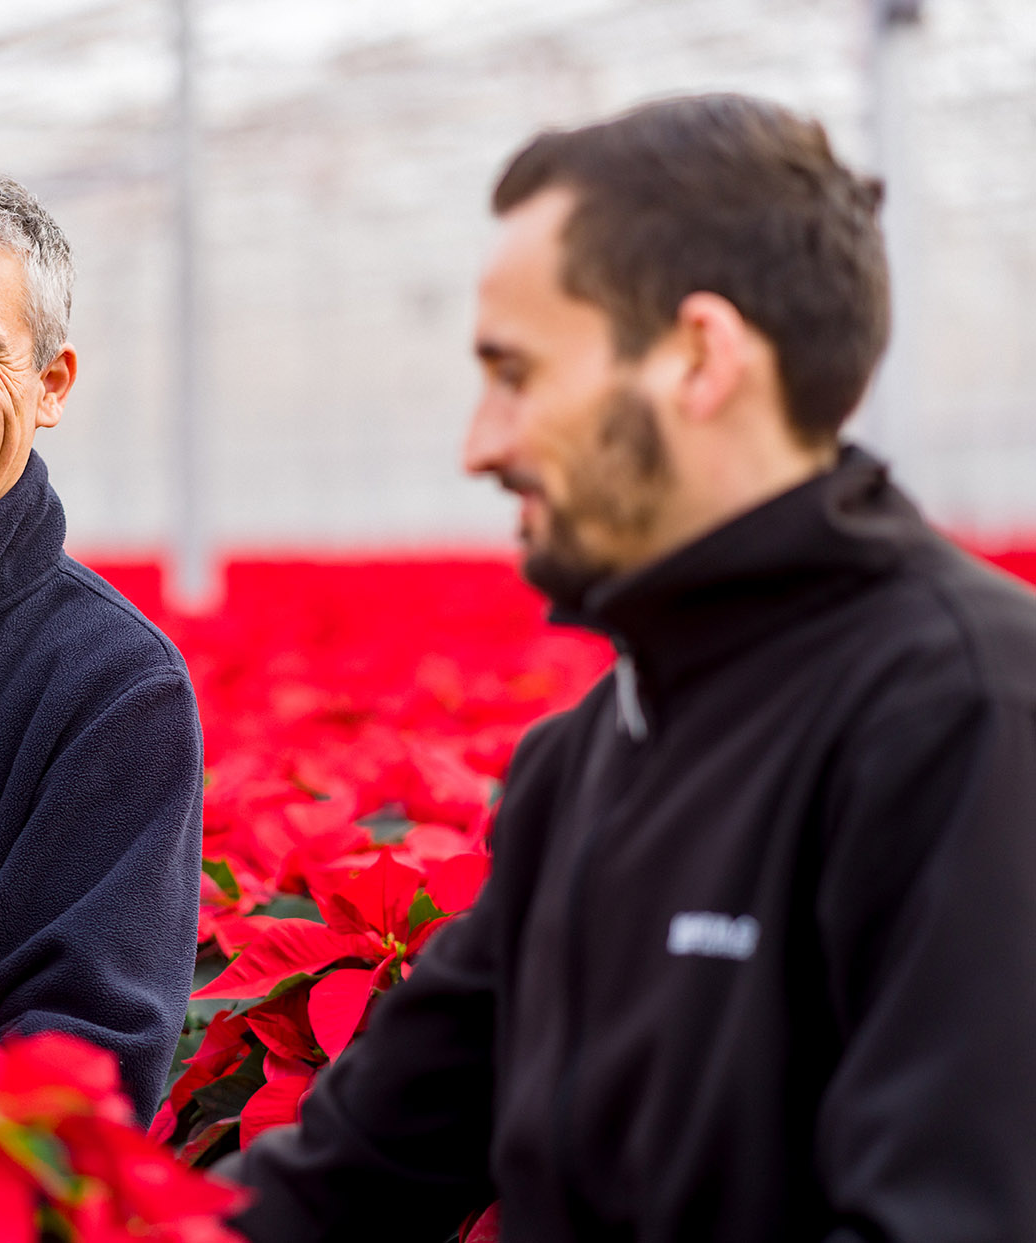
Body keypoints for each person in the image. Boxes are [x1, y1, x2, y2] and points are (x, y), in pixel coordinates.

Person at [232, 94, 1036, 1241]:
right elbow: (357, 1168)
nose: (482, 443)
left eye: (516, 372)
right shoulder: (590, 755)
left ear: (699, 358)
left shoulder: (964, 716)